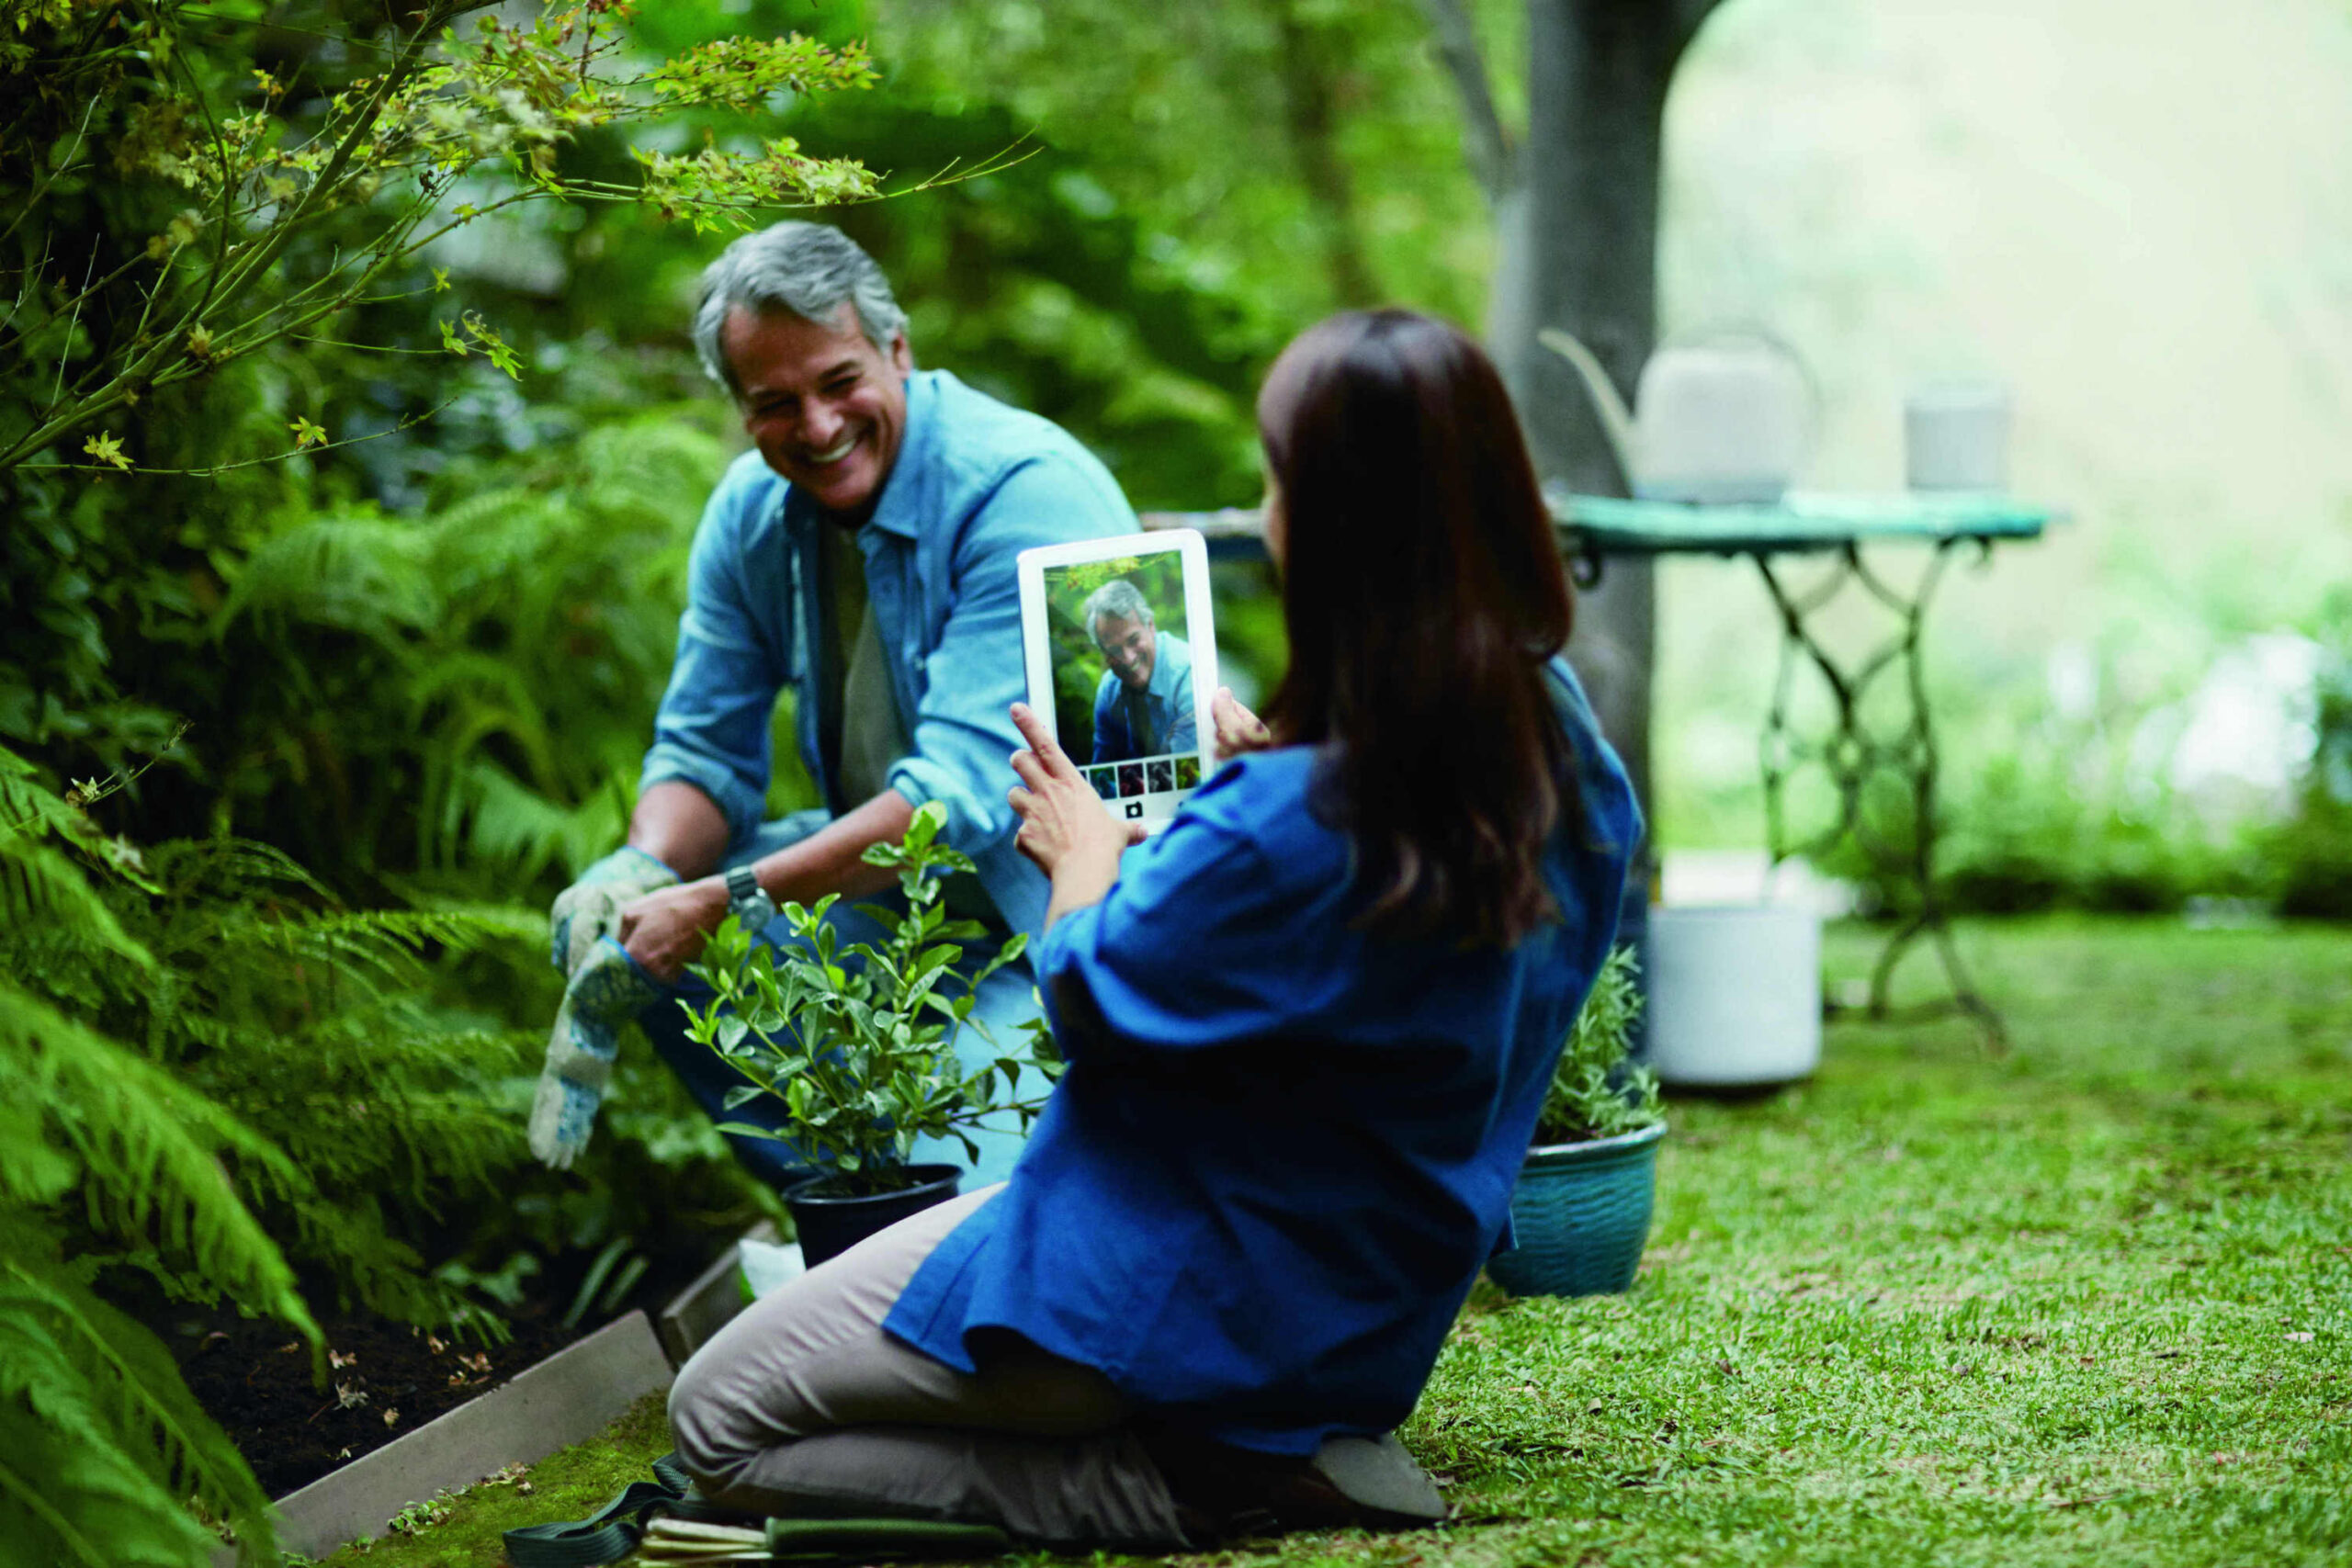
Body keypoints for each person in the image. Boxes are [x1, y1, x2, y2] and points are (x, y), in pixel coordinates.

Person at [664, 309, 1643, 1550]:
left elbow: (1091, 990)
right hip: (1362, 1306)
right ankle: (1257, 1436)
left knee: (717, 1419)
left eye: (1279, 478)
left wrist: (1084, 855)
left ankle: (1180, 1478)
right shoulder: (1559, 752)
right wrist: (1276, 775)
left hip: (1155, 1292)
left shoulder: (1289, 818)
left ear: (1332, 530)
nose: (1267, 506)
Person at [536, 223, 1137, 1190]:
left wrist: (718, 899)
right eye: (775, 403)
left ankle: (964, 1196)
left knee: (978, 1230)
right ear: (739, 409)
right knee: (661, 934)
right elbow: (703, 753)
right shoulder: (750, 515)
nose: (816, 427)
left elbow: (952, 805)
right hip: (887, 912)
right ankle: (849, 1200)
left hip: (1054, 931)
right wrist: (640, 868)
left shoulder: (1026, 493)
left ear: (897, 351)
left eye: (839, 383)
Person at [1080, 578, 1198, 764]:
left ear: (1150, 625)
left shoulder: (1188, 674)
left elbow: (1191, 776)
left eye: (1133, 640)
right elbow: (1103, 771)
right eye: (1114, 651)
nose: (1127, 658)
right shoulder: (1108, 690)